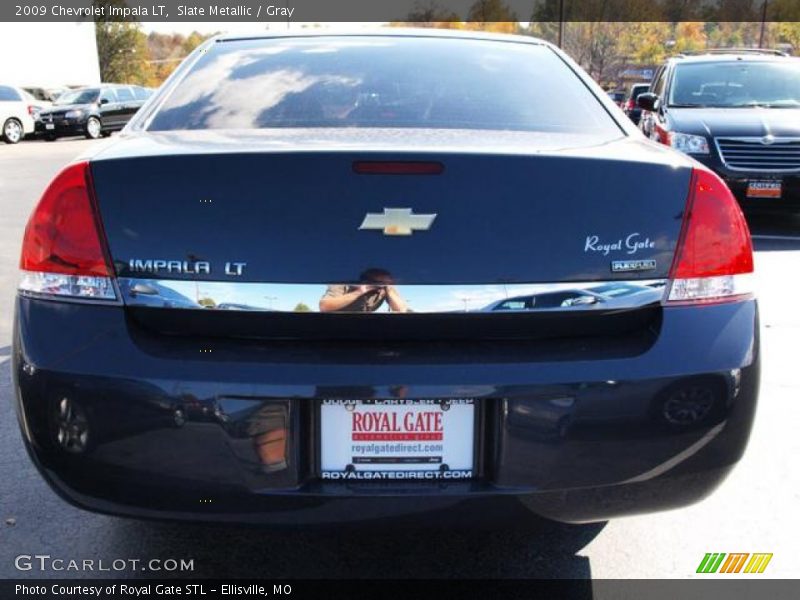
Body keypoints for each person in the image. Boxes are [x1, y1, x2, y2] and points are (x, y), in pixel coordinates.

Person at [319, 268, 408, 313]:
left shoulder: (386, 289)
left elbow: (401, 309)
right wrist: (359, 292)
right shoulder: (343, 285)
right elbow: (324, 307)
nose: (380, 285)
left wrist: (389, 289)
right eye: (377, 282)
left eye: (385, 282)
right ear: (365, 281)